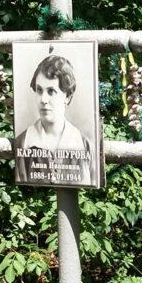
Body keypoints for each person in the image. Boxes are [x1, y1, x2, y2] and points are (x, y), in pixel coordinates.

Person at [14, 54, 94, 186]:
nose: (43, 100)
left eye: (51, 91)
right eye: (39, 90)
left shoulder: (85, 145)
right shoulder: (22, 143)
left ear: (67, 97)